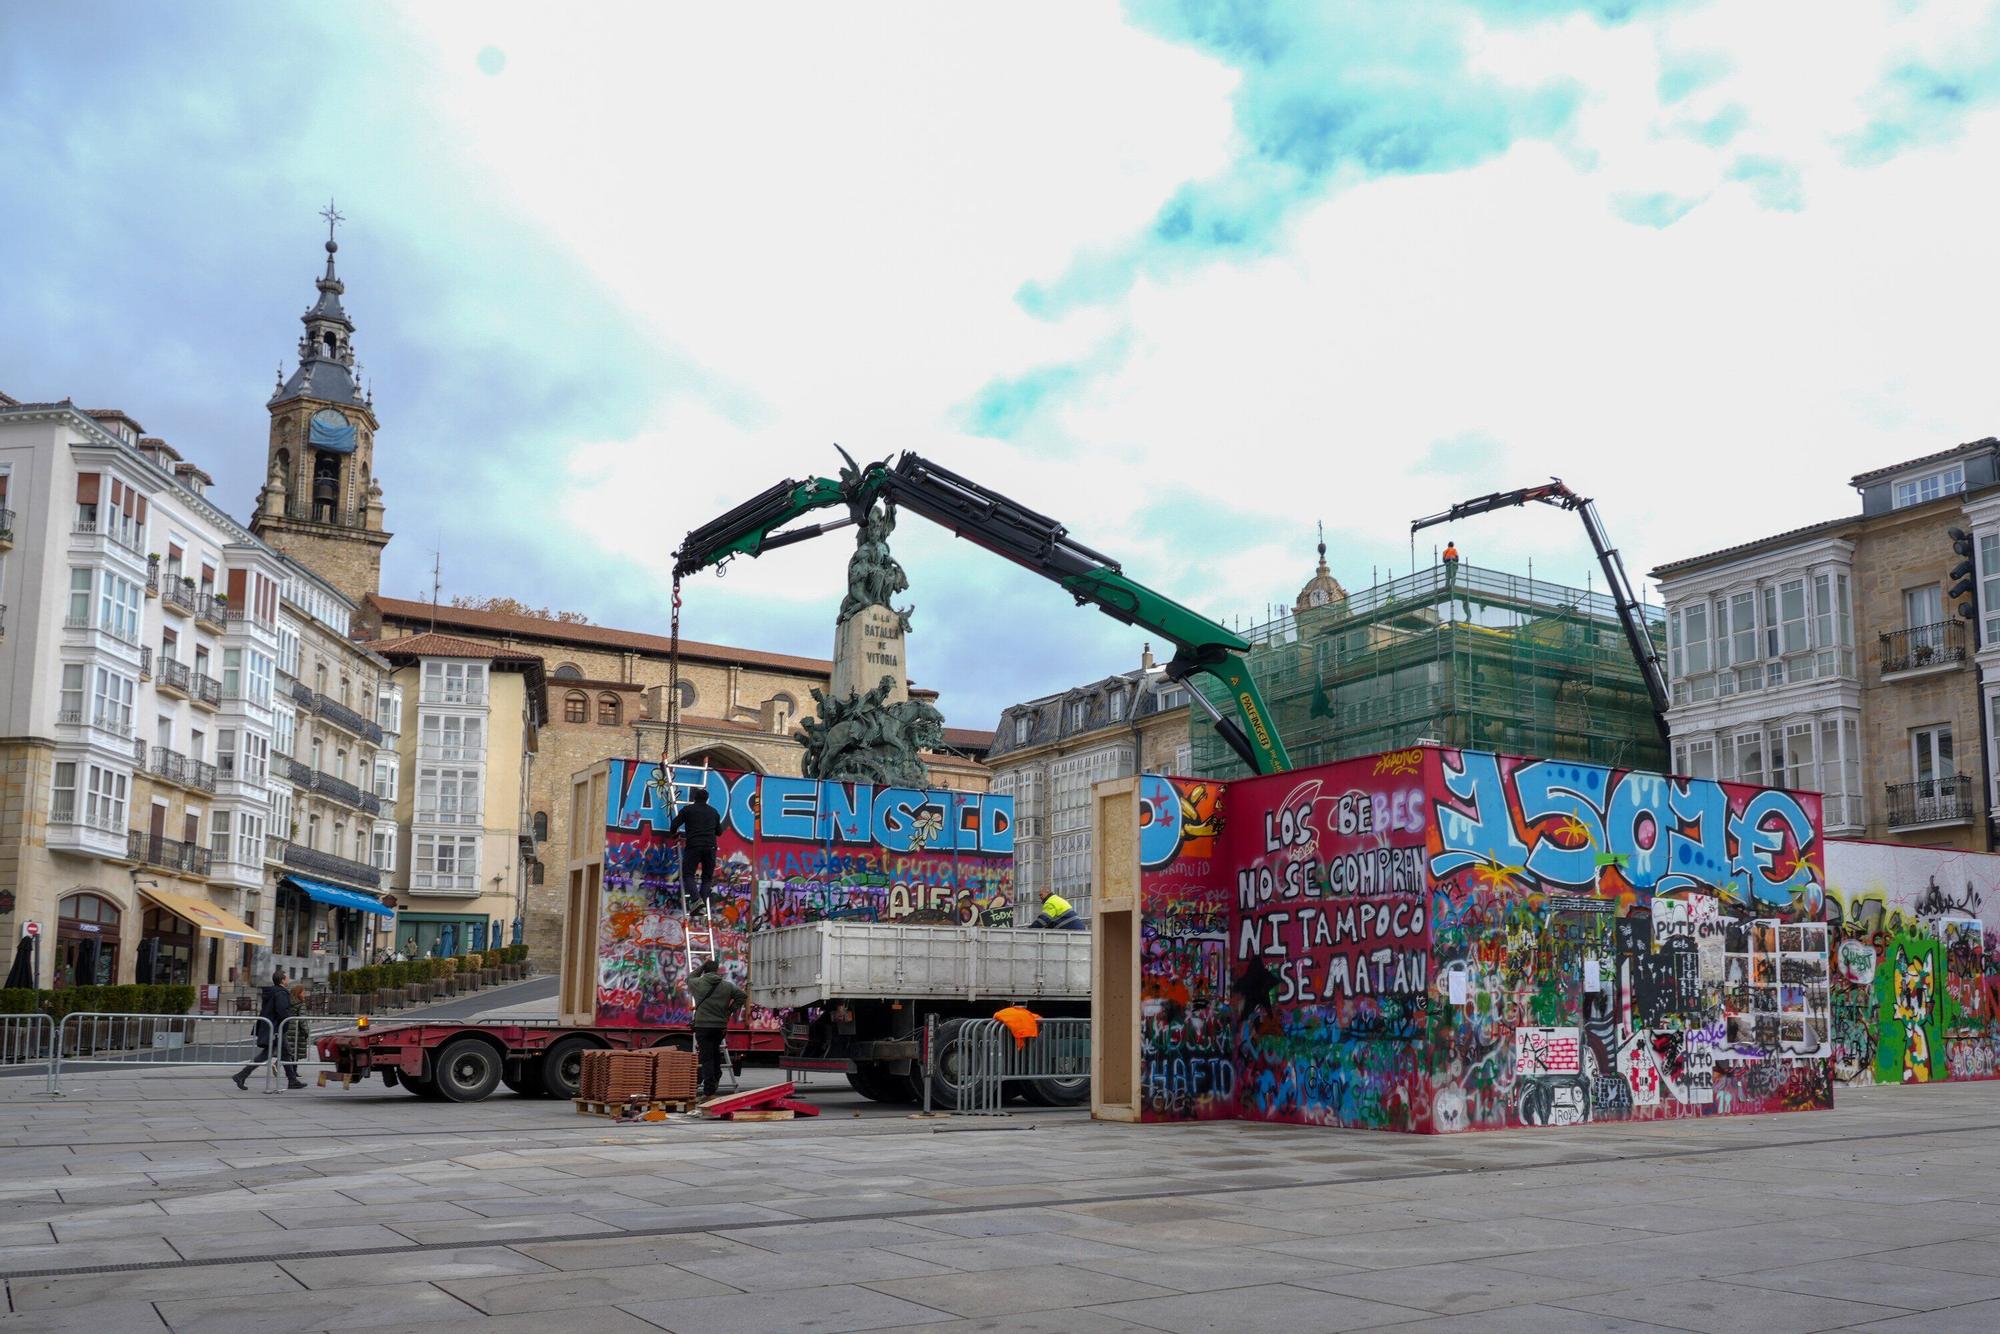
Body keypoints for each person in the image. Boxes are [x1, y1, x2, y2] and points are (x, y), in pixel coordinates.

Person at [232, 968, 306, 1090]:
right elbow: (281, 1010)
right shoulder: (281, 993)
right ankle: (241, 1075)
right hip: (276, 1028)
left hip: (273, 1027)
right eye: (286, 977)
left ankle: (292, 1080)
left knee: (286, 1053)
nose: (288, 979)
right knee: (268, 1054)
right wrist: (288, 1018)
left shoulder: (273, 991)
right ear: (282, 980)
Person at [687, 958, 746, 1099]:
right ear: (717, 970)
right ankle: (716, 1078)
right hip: (719, 1026)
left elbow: (690, 977)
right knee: (714, 1054)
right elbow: (742, 996)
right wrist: (729, 1011)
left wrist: (702, 965)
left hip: (702, 1026)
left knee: (706, 1058)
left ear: (705, 970)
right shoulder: (727, 986)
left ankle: (709, 1092)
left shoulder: (697, 983)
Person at [667, 788, 723, 903]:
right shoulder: (714, 812)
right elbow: (719, 832)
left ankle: (697, 901)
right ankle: (701, 903)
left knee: (688, 875)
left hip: (694, 846)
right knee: (707, 878)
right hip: (710, 847)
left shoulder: (688, 810)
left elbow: (674, 825)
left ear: (694, 798)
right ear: (707, 799)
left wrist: (674, 834)